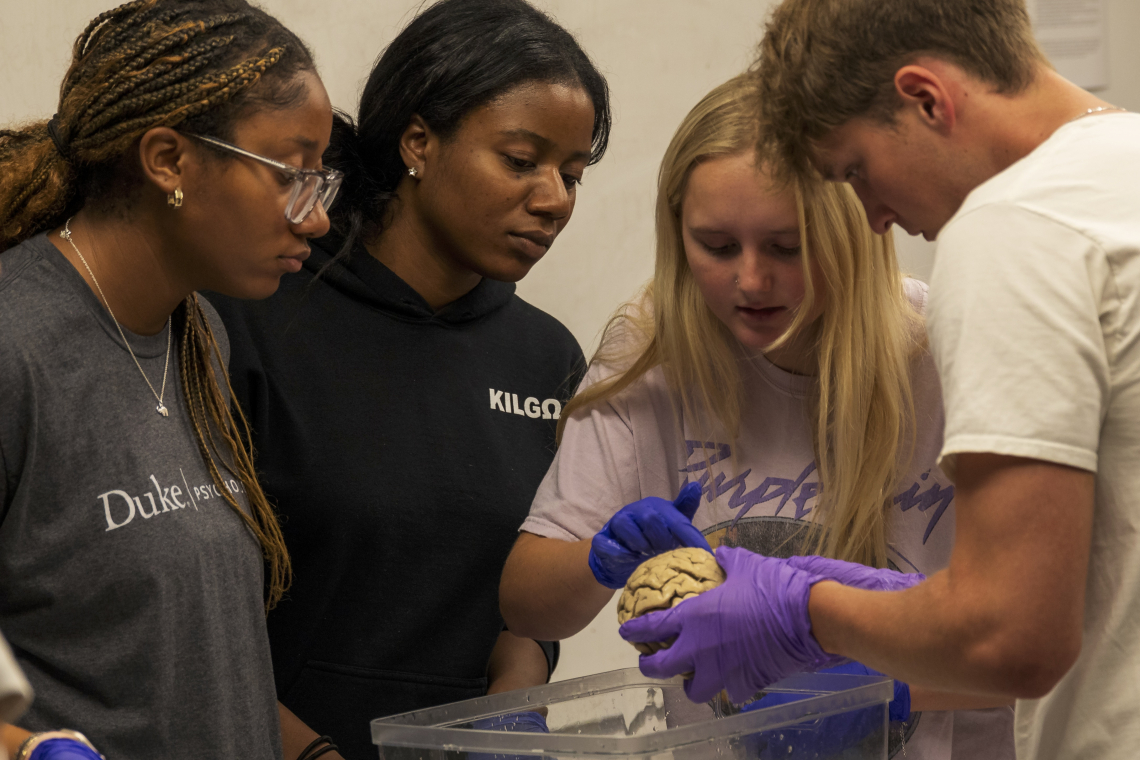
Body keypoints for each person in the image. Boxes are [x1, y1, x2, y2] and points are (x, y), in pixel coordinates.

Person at [619, 2, 1140, 759]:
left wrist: (806, 611)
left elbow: (1014, 638)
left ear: (926, 98)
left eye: (855, 170)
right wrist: (904, 607)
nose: (870, 217)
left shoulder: (1014, 231)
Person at [500, 74, 1014, 759]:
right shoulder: (650, 352)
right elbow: (528, 606)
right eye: (715, 246)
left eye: (785, 246)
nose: (749, 281)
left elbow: (1047, 639)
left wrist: (883, 682)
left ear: (854, 231)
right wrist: (597, 560)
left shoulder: (952, 355)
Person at [206, 1, 610, 757]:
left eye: (573, 173)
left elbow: (520, 609)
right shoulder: (254, 318)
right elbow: (188, 614)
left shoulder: (545, 358)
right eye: (521, 161)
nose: (554, 199)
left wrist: (513, 706)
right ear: (418, 142)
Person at [0, 1, 338, 758]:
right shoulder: (13, 345)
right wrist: (25, 750)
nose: (316, 219)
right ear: (168, 160)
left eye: (324, 180)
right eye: (293, 174)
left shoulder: (199, 333)